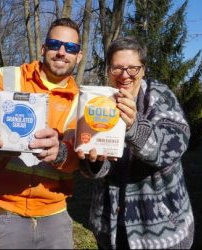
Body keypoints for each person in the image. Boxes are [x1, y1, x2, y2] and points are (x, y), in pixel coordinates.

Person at [0, 18, 83, 249]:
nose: (61, 52)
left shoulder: (83, 101)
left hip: (55, 219)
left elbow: (79, 160)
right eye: (54, 44)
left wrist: (60, 154)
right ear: (43, 48)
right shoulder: (6, 78)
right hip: (4, 213)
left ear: (78, 56)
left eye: (70, 47)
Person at [77, 36, 194, 249]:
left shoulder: (162, 98)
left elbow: (169, 150)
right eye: (117, 68)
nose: (125, 75)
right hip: (110, 229)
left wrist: (133, 126)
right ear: (108, 71)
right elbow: (100, 167)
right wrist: (94, 162)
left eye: (133, 68)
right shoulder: (99, 102)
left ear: (143, 69)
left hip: (160, 232)